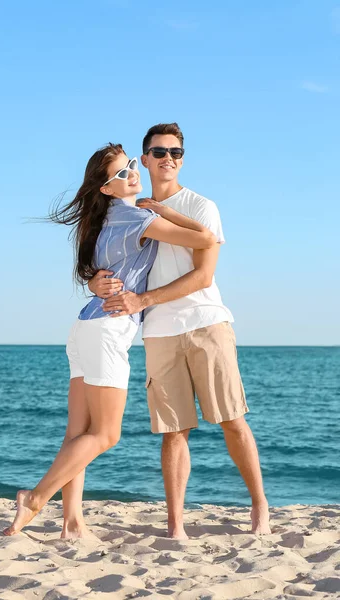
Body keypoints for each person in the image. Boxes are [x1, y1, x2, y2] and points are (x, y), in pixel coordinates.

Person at [3, 142, 217, 536]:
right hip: (107, 331)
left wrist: (92, 280)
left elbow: (97, 270)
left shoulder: (103, 222)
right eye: (121, 174)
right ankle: (35, 499)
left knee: (78, 434)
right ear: (106, 189)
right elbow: (207, 240)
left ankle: (72, 523)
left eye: (132, 165)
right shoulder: (134, 218)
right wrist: (166, 210)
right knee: (106, 434)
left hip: (85, 328)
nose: (133, 173)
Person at [90, 123, 271, 539]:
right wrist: (94, 283)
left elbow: (204, 276)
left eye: (176, 152)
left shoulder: (201, 205)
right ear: (145, 158)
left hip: (206, 323)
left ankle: (260, 507)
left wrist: (143, 300)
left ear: (182, 158)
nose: (168, 158)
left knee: (232, 419)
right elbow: (107, 261)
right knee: (173, 431)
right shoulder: (130, 210)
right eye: (158, 152)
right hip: (158, 332)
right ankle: (176, 526)